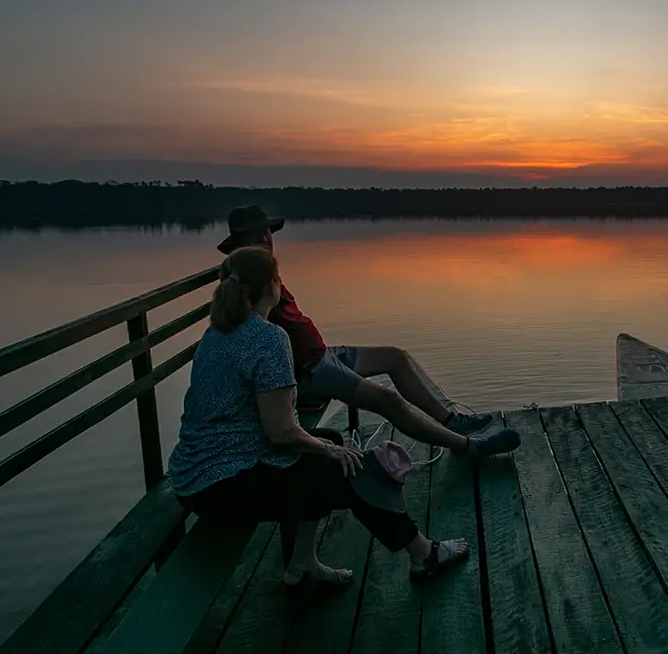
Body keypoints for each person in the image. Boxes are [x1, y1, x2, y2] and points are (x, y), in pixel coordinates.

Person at [168, 246, 475, 592]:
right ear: (274, 287)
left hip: (192, 478)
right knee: (357, 468)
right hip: (222, 486)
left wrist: (325, 446)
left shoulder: (216, 334)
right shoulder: (268, 338)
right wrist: (329, 452)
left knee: (332, 440)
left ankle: (302, 565)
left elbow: (270, 427)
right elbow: (281, 432)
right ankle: (423, 553)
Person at [215, 205, 519, 456]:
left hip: (322, 356)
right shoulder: (249, 283)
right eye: (266, 233)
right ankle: (469, 447)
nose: (271, 238)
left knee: (395, 358)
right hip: (310, 370)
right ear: (258, 237)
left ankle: (451, 421)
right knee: (389, 402)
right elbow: (259, 349)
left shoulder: (259, 271)